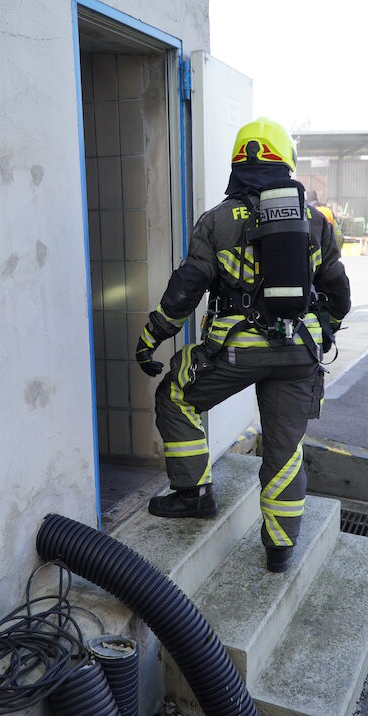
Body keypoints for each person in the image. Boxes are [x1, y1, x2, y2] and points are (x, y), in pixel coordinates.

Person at [135, 118, 351, 572]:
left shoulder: (216, 220)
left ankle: (193, 494)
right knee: (285, 450)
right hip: (300, 355)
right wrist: (324, 329)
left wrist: (152, 337)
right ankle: (280, 550)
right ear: (286, 162)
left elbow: (185, 290)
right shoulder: (316, 222)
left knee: (175, 394)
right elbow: (339, 295)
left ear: (238, 163)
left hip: (235, 352)